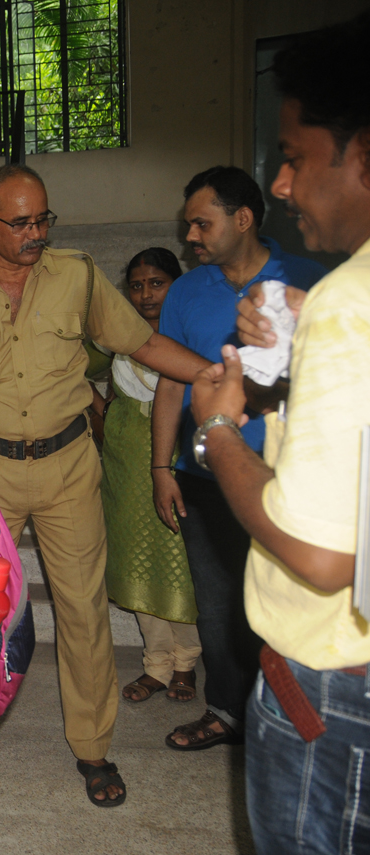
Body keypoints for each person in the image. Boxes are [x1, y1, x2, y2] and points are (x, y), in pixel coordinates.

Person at [0, 163, 209, 807]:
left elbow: (142, 345)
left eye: (43, 219)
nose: (37, 232)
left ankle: (93, 749)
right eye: (21, 221)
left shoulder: (79, 277)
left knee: (83, 612)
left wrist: (220, 374)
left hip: (67, 468)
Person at [193, 15, 370, 852]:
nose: (286, 185)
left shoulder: (350, 300)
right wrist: (301, 355)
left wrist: (219, 431)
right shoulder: (333, 306)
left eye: (296, 156)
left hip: (334, 685)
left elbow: (321, 550)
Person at [151, 166, 325, 752]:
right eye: (189, 225)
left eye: (202, 223)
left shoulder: (308, 280)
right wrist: (161, 469)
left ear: (243, 219)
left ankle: (286, 720)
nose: (191, 236)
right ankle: (226, 710)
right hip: (204, 476)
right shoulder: (186, 291)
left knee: (285, 604)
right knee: (220, 604)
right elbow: (171, 386)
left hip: (289, 479)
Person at [101, 248, 200, 704]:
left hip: (173, 470)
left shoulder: (189, 344)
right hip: (125, 475)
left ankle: (187, 664)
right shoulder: (119, 343)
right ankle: (156, 665)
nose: (145, 294)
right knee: (136, 565)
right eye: (136, 285)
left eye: (156, 283)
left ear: (175, 285)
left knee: (178, 566)